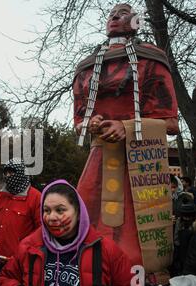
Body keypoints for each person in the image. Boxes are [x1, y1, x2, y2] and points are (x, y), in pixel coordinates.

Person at [73, 3, 178, 266]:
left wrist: (128, 127)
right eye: (111, 14)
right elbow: (78, 120)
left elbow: (170, 122)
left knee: (137, 242)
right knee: (85, 232)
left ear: (135, 21)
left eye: (122, 13)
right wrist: (91, 123)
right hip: (98, 163)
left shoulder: (150, 59)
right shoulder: (88, 66)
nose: (115, 17)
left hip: (140, 164)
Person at [0, 180, 144, 286]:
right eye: (46, 210)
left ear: (79, 212)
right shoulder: (28, 246)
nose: (52, 217)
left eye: (60, 210)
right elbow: (5, 278)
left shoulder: (106, 248)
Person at [0, 158, 41, 277]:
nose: (8, 176)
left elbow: (40, 229)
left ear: (21, 172)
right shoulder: (0, 195)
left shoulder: (35, 197)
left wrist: (28, 251)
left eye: (12, 172)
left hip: (19, 260)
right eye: (6, 173)